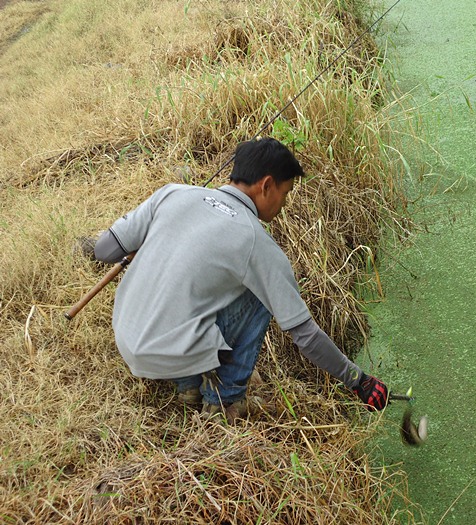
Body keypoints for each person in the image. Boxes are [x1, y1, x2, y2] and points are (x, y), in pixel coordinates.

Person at [93, 137, 388, 422]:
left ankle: (189, 386)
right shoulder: (256, 243)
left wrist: (150, 240)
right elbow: (305, 335)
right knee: (261, 294)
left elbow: (104, 250)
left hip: (129, 339)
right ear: (267, 185)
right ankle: (225, 401)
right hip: (167, 351)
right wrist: (358, 381)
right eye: (285, 194)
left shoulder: (172, 193)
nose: (283, 204)